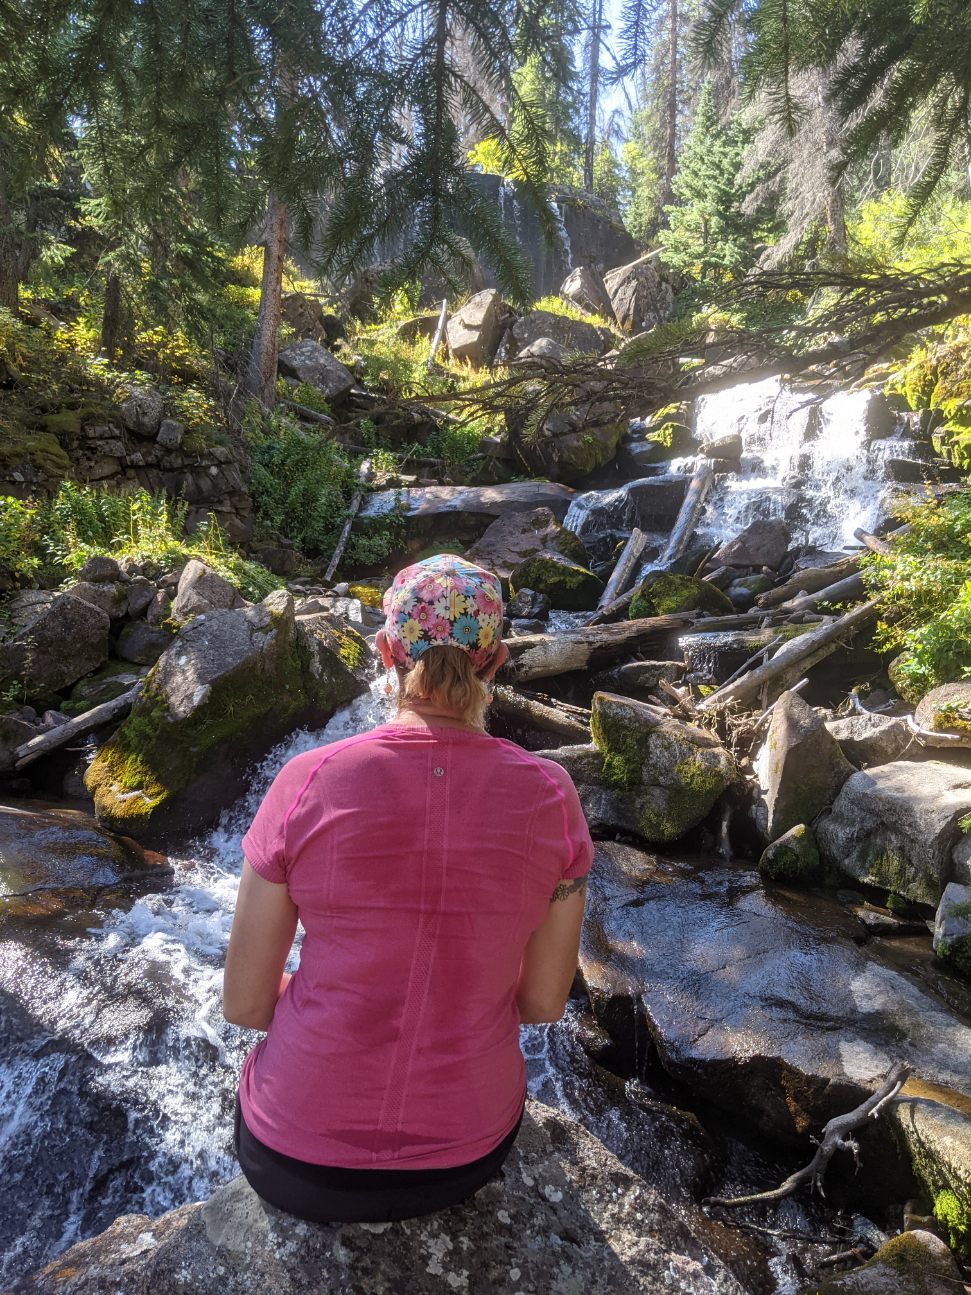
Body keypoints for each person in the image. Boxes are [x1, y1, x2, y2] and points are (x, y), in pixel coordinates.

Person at [223, 554, 593, 1224]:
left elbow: (247, 1003)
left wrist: (335, 1002)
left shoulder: (307, 778)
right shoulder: (551, 795)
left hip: (291, 1157)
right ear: (495, 660)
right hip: (464, 1157)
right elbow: (541, 1002)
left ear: (386, 650)